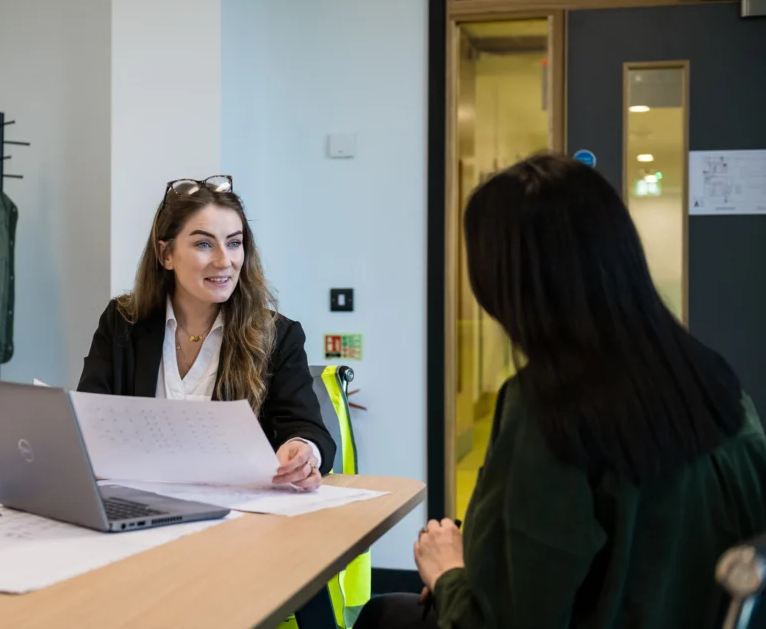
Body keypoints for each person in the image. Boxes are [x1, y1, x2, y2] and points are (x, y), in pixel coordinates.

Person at [355, 153, 766, 629]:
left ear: (501, 282)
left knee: (383, 615)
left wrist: (449, 571)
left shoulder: (548, 408)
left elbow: (509, 619)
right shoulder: (713, 381)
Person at [76, 175, 336, 490]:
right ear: (166, 255)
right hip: (139, 510)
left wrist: (304, 450)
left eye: (234, 243)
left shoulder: (278, 334)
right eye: (203, 244)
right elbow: (90, 419)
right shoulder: (122, 322)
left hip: (239, 521)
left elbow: (308, 428)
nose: (224, 261)